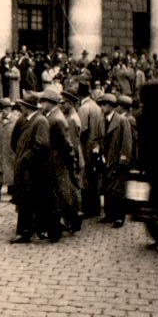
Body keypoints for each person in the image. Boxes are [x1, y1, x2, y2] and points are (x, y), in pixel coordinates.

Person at [39, 88, 80, 239]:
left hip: (57, 161)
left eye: (44, 101)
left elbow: (66, 143)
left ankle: (72, 220)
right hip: (52, 160)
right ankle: (68, 221)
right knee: (58, 194)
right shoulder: (50, 116)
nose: (42, 104)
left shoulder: (57, 119)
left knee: (61, 194)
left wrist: (69, 160)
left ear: (51, 103)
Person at [10, 93, 50, 243]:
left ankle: (27, 231)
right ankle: (27, 230)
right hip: (23, 166)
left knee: (31, 199)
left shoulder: (40, 121)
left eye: (23, 106)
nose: (21, 108)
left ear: (28, 107)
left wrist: (26, 157)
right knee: (24, 199)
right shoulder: (24, 120)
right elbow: (14, 142)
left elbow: (42, 144)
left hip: (33, 168)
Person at [97, 93, 132, 227]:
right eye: (102, 104)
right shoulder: (102, 120)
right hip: (106, 159)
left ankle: (119, 217)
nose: (102, 107)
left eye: (104, 104)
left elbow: (126, 142)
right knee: (107, 188)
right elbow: (100, 139)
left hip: (117, 160)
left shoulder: (122, 121)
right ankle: (109, 214)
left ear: (111, 106)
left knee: (117, 190)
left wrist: (123, 160)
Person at [77, 79, 105, 218]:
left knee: (86, 177)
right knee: (95, 177)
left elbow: (82, 130)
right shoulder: (96, 107)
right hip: (96, 144)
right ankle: (96, 207)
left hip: (86, 145)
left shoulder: (84, 108)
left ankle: (88, 208)